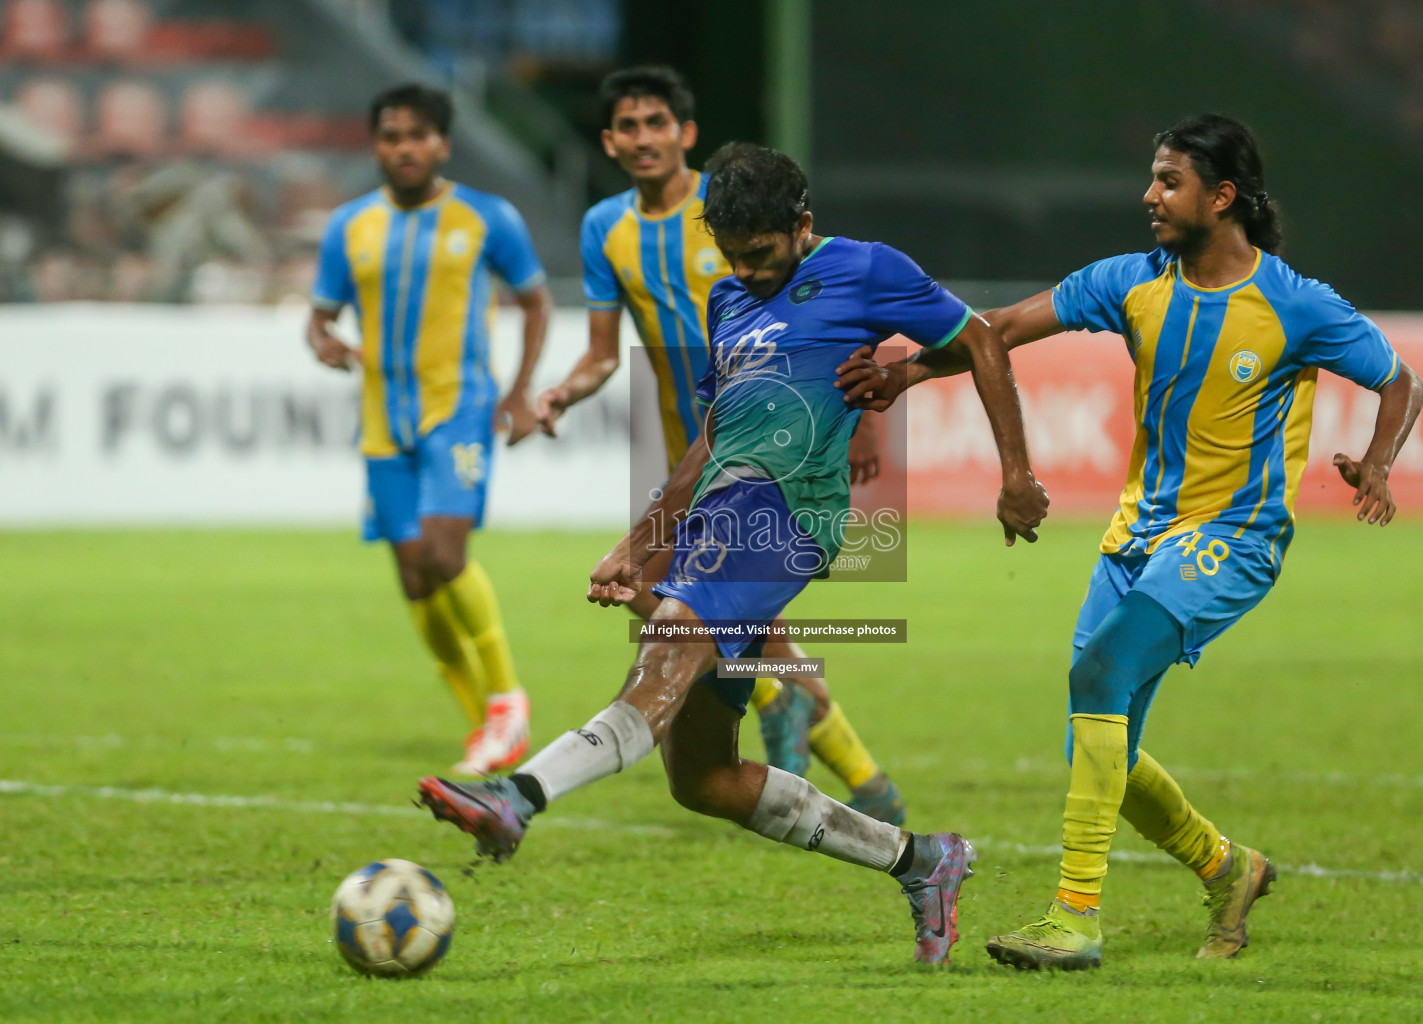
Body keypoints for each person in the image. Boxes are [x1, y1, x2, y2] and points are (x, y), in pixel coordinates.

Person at [417, 142, 1051, 964]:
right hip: (721, 519)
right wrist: (641, 542)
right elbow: (712, 437)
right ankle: (923, 861)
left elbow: (984, 341)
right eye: (733, 256)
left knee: (661, 659)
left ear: (802, 225)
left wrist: (1016, 474)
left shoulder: (865, 270)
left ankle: (518, 796)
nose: (748, 272)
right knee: (703, 779)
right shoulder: (726, 299)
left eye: (762, 256)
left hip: (789, 517)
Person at [834, 113, 1423, 970]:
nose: (1149, 195)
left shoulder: (1294, 304)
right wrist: (904, 372)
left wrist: (1377, 463)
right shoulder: (1132, 281)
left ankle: (1073, 919)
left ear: (1221, 198)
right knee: (1095, 744)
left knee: (1098, 673)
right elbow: (993, 327)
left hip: (1233, 537)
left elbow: (1399, 379)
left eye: (1169, 181)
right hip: (1135, 536)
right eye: (1152, 178)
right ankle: (1229, 869)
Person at [533, 66, 905, 822]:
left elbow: (833, 309)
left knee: (696, 625)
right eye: (628, 127)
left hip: (769, 454)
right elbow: (603, 352)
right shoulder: (606, 227)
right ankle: (862, 782)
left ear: (685, 132)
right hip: (682, 451)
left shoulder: (734, 208)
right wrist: (564, 391)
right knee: (724, 627)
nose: (643, 139)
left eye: (656, 124)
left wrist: (866, 420)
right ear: (608, 141)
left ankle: (828, 755)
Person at [307, 84, 553, 775]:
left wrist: (520, 390)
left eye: (417, 135)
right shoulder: (348, 226)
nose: (404, 147)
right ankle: (485, 726)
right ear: (376, 144)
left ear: (442, 144)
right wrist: (324, 341)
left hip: (459, 409)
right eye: (390, 136)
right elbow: (319, 316)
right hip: (384, 422)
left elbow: (535, 301)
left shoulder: (486, 218)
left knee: (445, 554)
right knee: (415, 579)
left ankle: (507, 698)